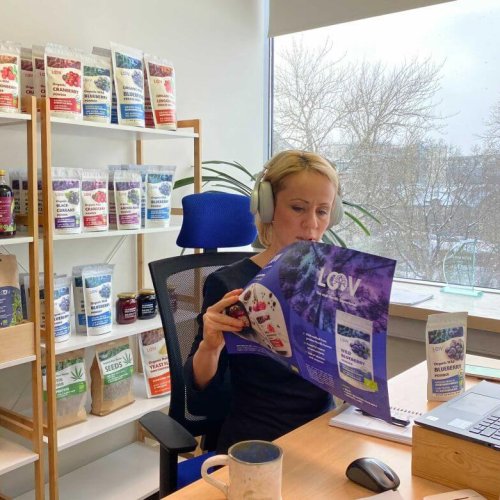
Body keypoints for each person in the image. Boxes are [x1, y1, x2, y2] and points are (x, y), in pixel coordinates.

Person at [183, 149, 342, 453]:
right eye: (298, 208)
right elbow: (200, 395)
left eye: (322, 211)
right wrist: (210, 346)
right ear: (267, 208)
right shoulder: (229, 284)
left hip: (322, 431)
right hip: (258, 439)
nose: (311, 224)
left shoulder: (335, 281)